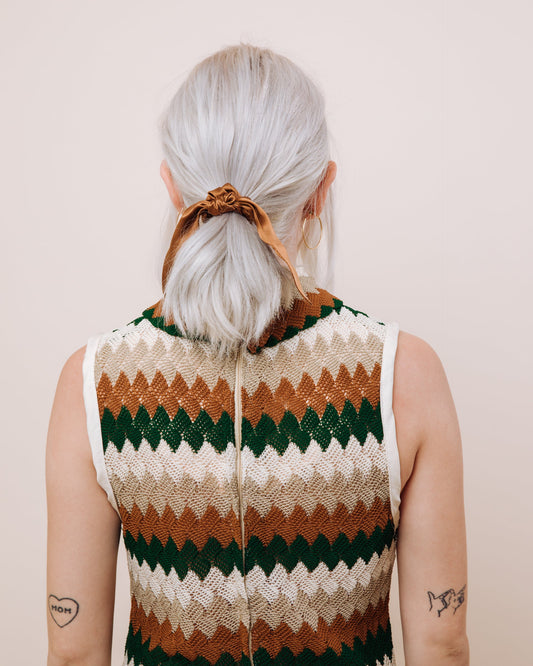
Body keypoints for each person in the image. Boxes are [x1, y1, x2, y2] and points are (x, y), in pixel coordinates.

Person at [46, 43, 469, 666]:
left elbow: (73, 654)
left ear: (173, 187)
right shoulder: (403, 373)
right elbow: (442, 645)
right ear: (320, 189)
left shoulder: (94, 382)